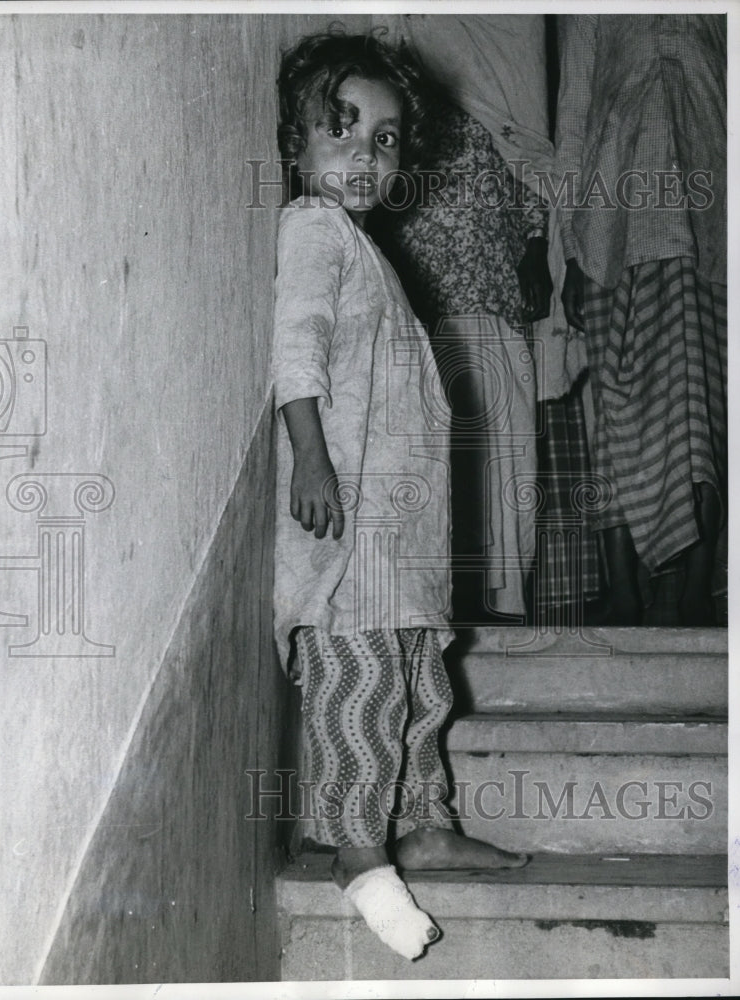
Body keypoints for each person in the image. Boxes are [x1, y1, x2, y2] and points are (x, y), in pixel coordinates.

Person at [272, 30, 527, 962]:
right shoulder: (309, 230)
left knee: (419, 681)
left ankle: (421, 822)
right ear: (293, 146)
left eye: (383, 139)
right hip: (349, 534)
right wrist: (307, 457)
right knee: (361, 688)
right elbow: (294, 352)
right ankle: (356, 849)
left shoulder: (366, 251)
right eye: (340, 130)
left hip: (401, 537)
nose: (363, 155)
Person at [371, 14, 562, 623]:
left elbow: (530, 184)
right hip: (424, 319)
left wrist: (536, 251)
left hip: (496, 307)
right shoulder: (393, 135)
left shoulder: (487, 111)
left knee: (506, 459)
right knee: (437, 463)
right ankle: (443, 604)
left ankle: (503, 605)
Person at [556, 14, 727, 625]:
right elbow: (574, 119)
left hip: (709, 236)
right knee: (616, 416)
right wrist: (569, 253)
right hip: (608, 237)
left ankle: (693, 595)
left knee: (697, 417)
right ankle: (625, 592)